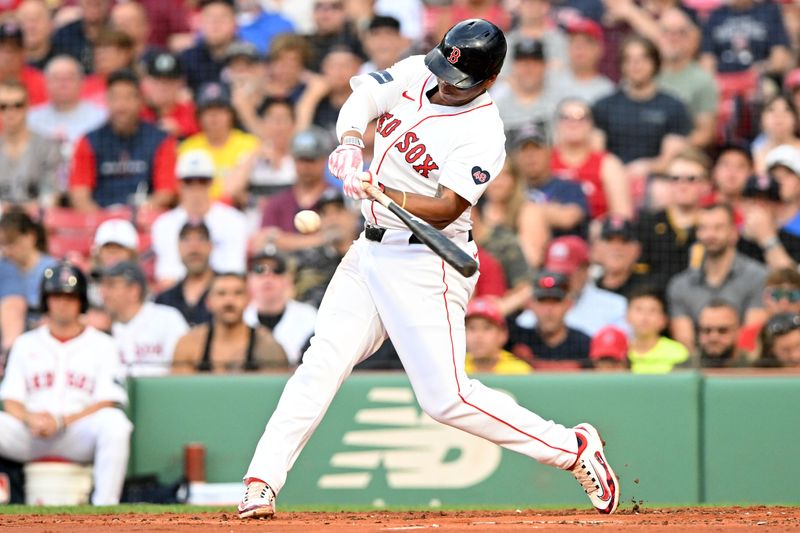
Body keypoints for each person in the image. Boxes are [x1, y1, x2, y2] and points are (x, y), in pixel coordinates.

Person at [238, 20, 619, 519]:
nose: (443, 83)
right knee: (321, 363)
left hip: (427, 259)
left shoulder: (484, 134)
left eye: (457, 79)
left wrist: (381, 189)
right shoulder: (422, 70)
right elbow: (365, 99)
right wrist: (351, 142)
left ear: (488, 81)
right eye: (443, 68)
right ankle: (261, 481)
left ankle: (571, 448)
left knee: (447, 399)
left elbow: (444, 208)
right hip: (369, 251)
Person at [0, 262, 132, 505]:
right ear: (45, 300)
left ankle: (106, 510)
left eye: (69, 297)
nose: (62, 303)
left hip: (76, 433)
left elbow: (108, 401)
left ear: (80, 301)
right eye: (56, 296)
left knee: (115, 424)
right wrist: (31, 419)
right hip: (31, 434)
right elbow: (10, 400)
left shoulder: (103, 344)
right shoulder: (25, 343)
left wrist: (62, 421)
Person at [68, 70, 178, 212]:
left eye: (128, 98)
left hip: (145, 219)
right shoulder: (89, 141)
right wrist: (103, 220)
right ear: (106, 101)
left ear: (140, 101)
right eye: (115, 98)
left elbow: (166, 193)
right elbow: (79, 195)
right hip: (101, 219)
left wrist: (137, 215)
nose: (121, 107)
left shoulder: (161, 140)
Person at [667, 203, 767, 351]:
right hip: (698, 367)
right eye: (703, 228)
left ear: (734, 232)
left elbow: (752, 338)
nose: (710, 235)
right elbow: (685, 344)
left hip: (744, 368)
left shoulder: (758, 276)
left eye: (718, 228)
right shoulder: (680, 285)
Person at [592, 35, 691, 177]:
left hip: (657, 180)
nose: (636, 65)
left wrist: (646, 167)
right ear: (621, 65)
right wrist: (618, 173)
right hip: (612, 178)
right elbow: (597, 155)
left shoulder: (673, 106)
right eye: (629, 59)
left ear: (655, 62)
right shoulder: (604, 105)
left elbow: (668, 160)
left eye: (643, 59)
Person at [151, 149, 248, 287]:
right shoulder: (163, 224)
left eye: (202, 180)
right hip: (178, 295)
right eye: (189, 181)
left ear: (211, 182)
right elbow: (167, 276)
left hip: (222, 293)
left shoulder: (235, 221)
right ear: (179, 184)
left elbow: (234, 270)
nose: (196, 187)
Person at [172, 272, 288, 373]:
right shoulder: (189, 344)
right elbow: (180, 393)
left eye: (238, 293)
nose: (229, 301)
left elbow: (275, 394)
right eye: (221, 293)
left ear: (248, 299)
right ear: (208, 302)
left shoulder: (268, 345)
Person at [517, 235, 628, 336]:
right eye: (554, 273)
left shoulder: (615, 308)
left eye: (566, 274)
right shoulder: (533, 313)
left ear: (585, 269)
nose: (560, 280)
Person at [636, 148, 710, 290]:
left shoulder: (714, 226)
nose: (682, 185)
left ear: (706, 185)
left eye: (691, 179)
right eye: (675, 178)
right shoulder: (647, 223)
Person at [252, 127, 336, 252]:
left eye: (311, 160)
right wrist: (321, 239)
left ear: (324, 160)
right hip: (286, 268)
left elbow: (341, 237)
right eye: (301, 160)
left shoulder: (335, 198)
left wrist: (279, 239)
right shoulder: (278, 202)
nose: (306, 166)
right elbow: (259, 243)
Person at [99, 261, 189, 376]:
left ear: (134, 291)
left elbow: (184, 367)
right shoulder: (102, 331)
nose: (103, 292)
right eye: (102, 286)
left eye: (111, 285)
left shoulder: (167, 318)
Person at [550, 98, 632, 220]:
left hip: (598, 232)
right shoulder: (544, 160)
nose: (573, 123)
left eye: (581, 118)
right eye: (566, 117)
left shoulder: (608, 164)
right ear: (556, 123)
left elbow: (623, 214)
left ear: (591, 124)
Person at [178, 82, 259, 201]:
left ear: (231, 114)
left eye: (220, 110)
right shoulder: (187, 148)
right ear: (199, 116)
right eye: (208, 111)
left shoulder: (250, 144)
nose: (214, 116)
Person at [513, 123, 590, 240]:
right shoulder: (510, 190)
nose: (531, 156)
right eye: (524, 150)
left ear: (549, 152)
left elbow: (569, 218)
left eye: (536, 148)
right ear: (515, 157)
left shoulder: (569, 187)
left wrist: (523, 211)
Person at [656, 8, 718, 149]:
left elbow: (706, 133)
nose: (673, 38)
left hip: (682, 153)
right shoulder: (644, 73)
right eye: (666, 32)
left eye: (681, 33)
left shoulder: (703, 80)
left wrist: (677, 147)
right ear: (658, 36)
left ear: (692, 39)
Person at [242, 249, 317, 366]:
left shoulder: (310, 316)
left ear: (288, 279)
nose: (268, 276)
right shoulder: (240, 316)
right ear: (249, 279)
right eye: (259, 270)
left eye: (277, 270)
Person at [27, 56, 107, 157]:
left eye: (69, 78)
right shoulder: (31, 119)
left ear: (82, 82)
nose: (63, 83)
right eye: (56, 78)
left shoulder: (101, 118)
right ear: (46, 83)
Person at [508, 270, 591, 367]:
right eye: (542, 301)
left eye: (555, 302)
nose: (549, 310)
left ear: (568, 305)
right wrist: (520, 297)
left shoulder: (583, 343)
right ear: (530, 304)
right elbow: (493, 322)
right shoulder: (518, 338)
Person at [293, 190, 360, 308]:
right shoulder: (309, 260)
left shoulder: (370, 253)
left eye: (338, 211)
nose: (332, 219)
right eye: (325, 213)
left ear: (353, 216)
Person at [0, 81, 60, 209]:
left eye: (18, 105)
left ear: (28, 106)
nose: (11, 112)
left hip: (36, 221)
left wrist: (30, 210)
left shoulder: (47, 146)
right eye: (3, 106)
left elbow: (52, 193)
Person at [0, 209, 57, 328]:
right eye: (2, 244)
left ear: (30, 236)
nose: (6, 251)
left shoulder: (52, 269)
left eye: (12, 243)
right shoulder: (3, 268)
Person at [154, 221, 214, 326]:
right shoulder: (165, 300)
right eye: (186, 240)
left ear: (210, 246)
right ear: (178, 247)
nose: (194, 247)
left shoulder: (231, 291)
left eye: (201, 238)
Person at [491, 39, 557, 131]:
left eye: (535, 62)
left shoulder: (557, 101)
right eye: (523, 63)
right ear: (513, 66)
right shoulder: (497, 102)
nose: (529, 69)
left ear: (544, 66)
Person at [548, 17, 614, 105]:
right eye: (574, 41)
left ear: (599, 49)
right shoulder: (550, 79)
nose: (579, 48)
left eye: (586, 42)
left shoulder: (607, 91)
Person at [179, 0, 240, 94]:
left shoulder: (247, 58)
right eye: (209, 18)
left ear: (235, 22)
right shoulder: (187, 59)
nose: (215, 24)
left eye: (222, 18)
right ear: (201, 22)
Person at [626, 286, 688, 374]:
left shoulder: (677, 353)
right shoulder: (618, 351)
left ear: (664, 320)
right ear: (627, 316)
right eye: (639, 309)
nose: (645, 317)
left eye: (652, 311)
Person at [738, 268, 800, 356]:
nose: (784, 302)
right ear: (765, 298)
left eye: (793, 295)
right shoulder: (750, 335)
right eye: (777, 295)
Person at [465, 296, 531, 375]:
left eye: (487, 328)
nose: (478, 335)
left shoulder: (519, 371)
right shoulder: (455, 368)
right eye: (472, 328)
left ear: (502, 334)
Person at [140, 52, 198, 140]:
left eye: (170, 82)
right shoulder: (137, 112)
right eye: (157, 81)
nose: (163, 87)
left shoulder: (193, 114)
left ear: (181, 83)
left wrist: (181, 135)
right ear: (145, 83)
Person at [51, 0, 111, 73]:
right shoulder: (64, 34)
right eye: (89, 3)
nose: (93, 2)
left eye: (98, 4)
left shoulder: (118, 31)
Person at [593, 217, 647, 298]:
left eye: (624, 241)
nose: (616, 247)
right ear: (596, 247)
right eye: (609, 240)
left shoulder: (647, 291)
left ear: (637, 249)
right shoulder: (585, 288)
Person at [0, 22, 47, 106]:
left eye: (14, 49)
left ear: (23, 52)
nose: (8, 55)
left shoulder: (39, 82)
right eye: (3, 49)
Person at [695, 299, 750, 368]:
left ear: (738, 331)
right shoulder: (684, 369)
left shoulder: (755, 369)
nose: (713, 338)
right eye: (706, 330)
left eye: (722, 331)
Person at [17, 0, 56, 71]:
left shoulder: (62, 61)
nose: (30, 26)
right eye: (25, 19)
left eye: (36, 19)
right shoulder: (7, 66)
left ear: (51, 25)